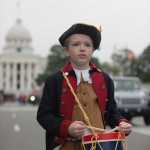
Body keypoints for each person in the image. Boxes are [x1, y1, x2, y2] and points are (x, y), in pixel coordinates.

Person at [37, 23, 132, 150]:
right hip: (65, 146)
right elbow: (44, 115)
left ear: (93, 50)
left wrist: (122, 123)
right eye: (76, 44)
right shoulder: (55, 80)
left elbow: (112, 112)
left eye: (87, 45)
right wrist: (67, 127)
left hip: (98, 146)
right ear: (67, 50)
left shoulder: (105, 79)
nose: (82, 48)